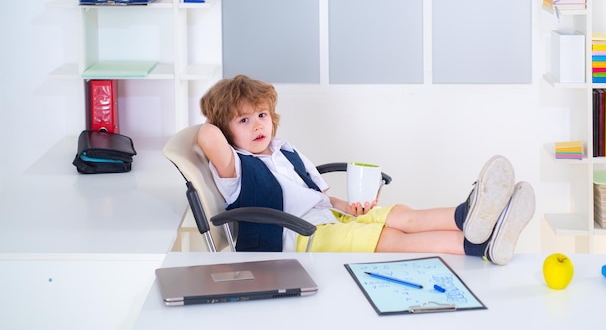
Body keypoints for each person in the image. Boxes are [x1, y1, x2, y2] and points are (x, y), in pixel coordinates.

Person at [197, 75, 535, 265]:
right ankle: (480, 246)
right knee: (391, 239)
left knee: (400, 215)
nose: (258, 125)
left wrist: (349, 208)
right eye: (243, 120)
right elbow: (206, 135)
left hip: (328, 220)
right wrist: (220, 124)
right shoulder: (236, 167)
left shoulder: (284, 150)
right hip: (300, 239)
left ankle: (470, 217)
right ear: (228, 133)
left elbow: (321, 196)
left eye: (262, 115)